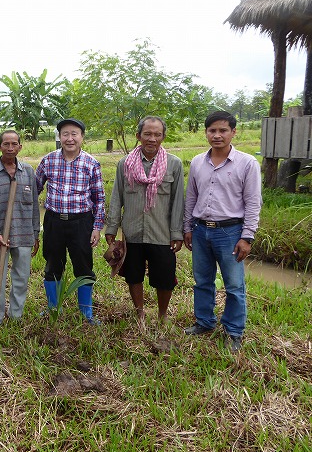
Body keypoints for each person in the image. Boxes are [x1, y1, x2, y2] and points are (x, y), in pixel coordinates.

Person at [183, 111, 262, 353]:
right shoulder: (197, 161)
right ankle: (205, 322)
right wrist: (187, 227)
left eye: (223, 130)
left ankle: (233, 331)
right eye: (212, 131)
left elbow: (253, 202)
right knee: (202, 280)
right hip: (200, 230)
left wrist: (247, 237)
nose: (217, 135)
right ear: (205, 133)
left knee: (234, 285)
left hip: (230, 231)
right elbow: (191, 197)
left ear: (233, 132)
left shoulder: (247, 163)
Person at [104, 116, 184, 330]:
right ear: (138, 136)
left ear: (163, 137)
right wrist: (111, 227)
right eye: (147, 134)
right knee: (133, 274)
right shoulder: (125, 163)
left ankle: (162, 315)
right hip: (132, 231)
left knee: (165, 277)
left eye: (157, 134)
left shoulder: (174, 164)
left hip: (162, 232)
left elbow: (178, 201)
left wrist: (177, 233)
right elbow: (116, 197)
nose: (152, 139)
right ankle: (139, 313)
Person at [36, 118, 105, 324]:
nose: (69, 138)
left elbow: (99, 198)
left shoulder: (91, 163)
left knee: (83, 266)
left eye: (74, 134)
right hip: (54, 221)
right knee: (52, 265)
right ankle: (53, 308)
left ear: (82, 137)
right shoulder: (48, 160)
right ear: (59, 137)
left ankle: (86, 313)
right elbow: (34, 188)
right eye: (65, 134)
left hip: (81, 222)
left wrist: (97, 227)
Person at [0, 130, 40, 325]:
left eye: (14, 144)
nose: (10, 147)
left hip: (23, 234)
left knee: (21, 278)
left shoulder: (29, 172)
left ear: (20, 147)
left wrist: (35, 233)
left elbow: (34, 205)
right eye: (6, 144)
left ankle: (15, 317)